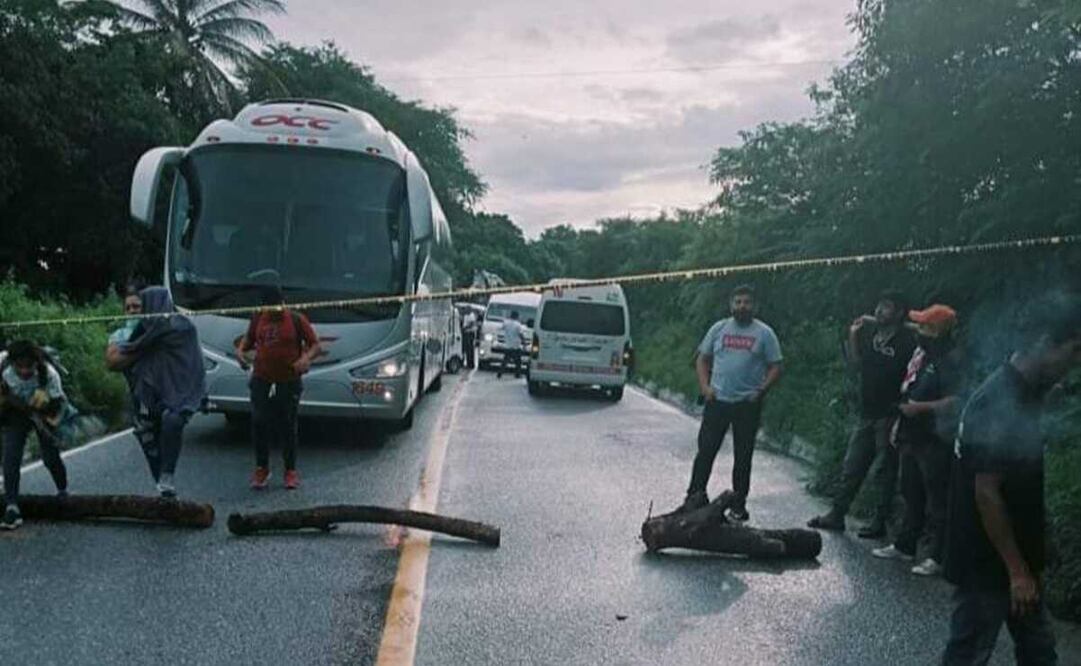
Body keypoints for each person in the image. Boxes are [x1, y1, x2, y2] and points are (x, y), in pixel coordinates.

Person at [941, 297, 1081, 665]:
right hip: (990, 563)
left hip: (1016, 557)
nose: (1074, 362)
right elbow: (987, 493)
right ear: (1043, 343)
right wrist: (1017, 572)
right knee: (968, 653)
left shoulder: (1024, 390)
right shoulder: (999, 401)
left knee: (1038, 652)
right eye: (1073, 350)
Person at [808, 290, 916, 537]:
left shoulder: (907, 342)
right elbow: (857, 366)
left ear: (899, 312)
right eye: (878, 305)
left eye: (886, 307)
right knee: (852, 465)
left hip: (889, 414)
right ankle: (837, 514)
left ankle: (879, 521)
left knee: (885, 470)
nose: (879, 311)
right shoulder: (873, 336)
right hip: (866, 412)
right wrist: (853, 335)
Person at [678, 285, 783, 522]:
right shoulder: (719, 328)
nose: (742, 306)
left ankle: (738, 505)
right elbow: (702, 359)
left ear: (754, 306)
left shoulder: (764, 333)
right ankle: (694, 496)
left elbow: (776, 365)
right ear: (731, 305)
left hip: (747, 404)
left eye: (746, 302)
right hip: (718, 401)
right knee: (706, 451)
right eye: (738, 302)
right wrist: (705, 387)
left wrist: (761, 390)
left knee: (743, 456)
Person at [872, 304, 963, 576]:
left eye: (925, 326)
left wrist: (920, 408)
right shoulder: (922, 354)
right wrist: (901, 422)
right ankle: (905, 545)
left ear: (938, 331)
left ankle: (938, 556)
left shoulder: (951, 359)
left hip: (935, 437)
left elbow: (956, 400)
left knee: (937, 499)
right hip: (910, 432)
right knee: (910, 492)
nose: (919, 330)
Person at [107, 287, 205, 498]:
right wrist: (147, 344)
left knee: (172, 422)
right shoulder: (133, 333)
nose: (134, 311)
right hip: (143, 397)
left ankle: (167, 478)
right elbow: (113, 361)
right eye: (129, 308)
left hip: (176, 393)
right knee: (150, 442)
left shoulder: (183, 328)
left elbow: (192, 362)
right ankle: (164, 492)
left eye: (138, 307)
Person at [235, 286, 321, 490]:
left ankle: (290, 470)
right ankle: (261, 468)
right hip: (261, 378)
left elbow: (315, 345)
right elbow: (247, 342)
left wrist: (305, 359)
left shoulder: (296, 319)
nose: (277, 311)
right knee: (258, 421)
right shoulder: (258, 318)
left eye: (279, 306)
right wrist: (241, 354)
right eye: (271, 308)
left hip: (288, 379)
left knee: (288, 424)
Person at [0, 341, 76, 530]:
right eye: (20, 367)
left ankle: (63, 491)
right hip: (14, 411)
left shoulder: (49, 375)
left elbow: (58, 406)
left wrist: (45, 421)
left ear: (36, 364)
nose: (25, 371)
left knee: (50, 455)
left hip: (45, 409)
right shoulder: (2, 368)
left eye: (29, 367)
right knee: (11, 455)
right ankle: (11, 506)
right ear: (12, 363)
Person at [496, 310, 527, 379]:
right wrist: (524, 343)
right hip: (516, 346)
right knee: (518, 362)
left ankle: (500, 373)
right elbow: (521, 335)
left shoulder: (506, 323)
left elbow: (501, 328)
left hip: (508, 345)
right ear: (517, 316)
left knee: (505, 361)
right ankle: (517, 374)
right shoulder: (518, 325)